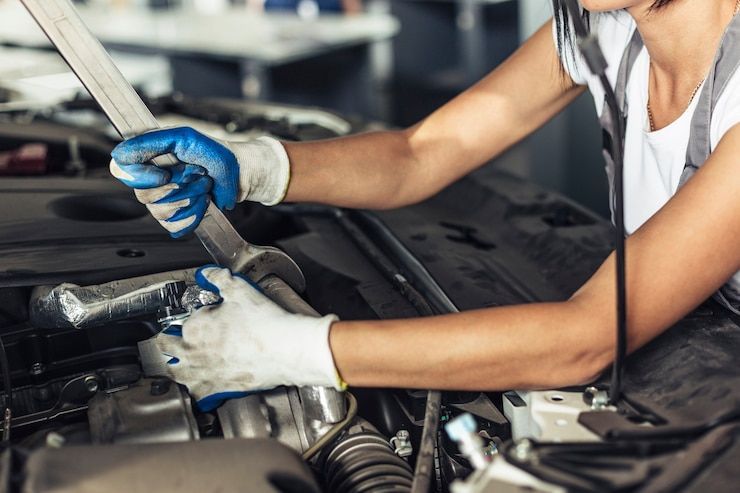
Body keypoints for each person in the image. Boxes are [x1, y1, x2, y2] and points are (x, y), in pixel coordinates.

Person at [110, 0, 740, 410]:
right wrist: (256, 165)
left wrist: (293, 351)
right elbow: (422, 152)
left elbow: (587, 336)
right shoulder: (600, 27)